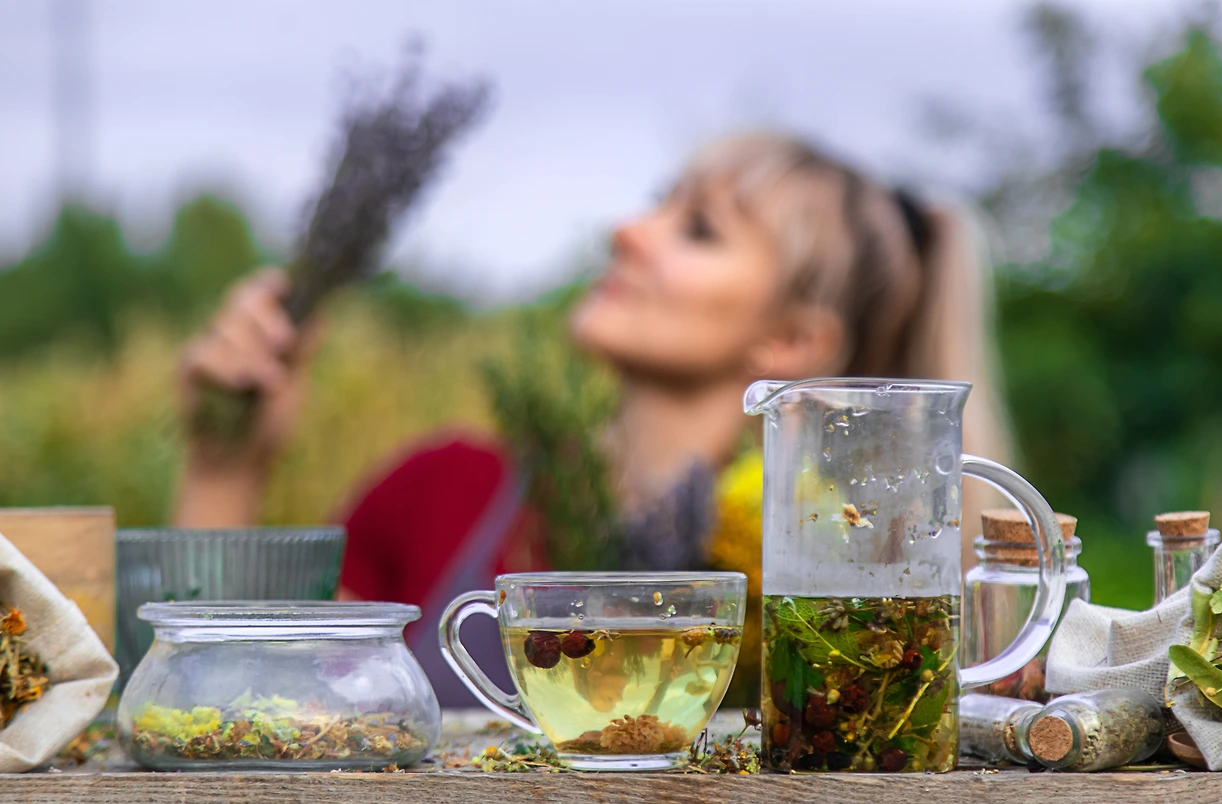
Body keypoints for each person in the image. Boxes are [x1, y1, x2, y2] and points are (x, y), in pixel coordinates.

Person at [172, 133, 1012, 705]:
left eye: (697, 229)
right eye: (656, 203)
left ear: (790, 335)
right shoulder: (445, 489)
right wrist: (226, 468)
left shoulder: (831, 584)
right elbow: (235, 704)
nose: (626, 231)